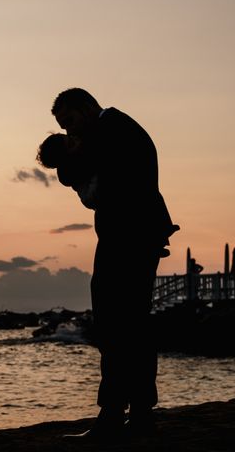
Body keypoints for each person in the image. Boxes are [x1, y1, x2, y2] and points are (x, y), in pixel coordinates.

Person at [50, 88, 178, 439]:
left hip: (129, 236)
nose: (70, 132)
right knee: (126, 324)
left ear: (88, 108)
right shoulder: (115, 130)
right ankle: (133, 413)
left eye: (71, 122)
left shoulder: (113, 131)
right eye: (64, 128)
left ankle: (119, 414)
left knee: (120, 324)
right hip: (132, 235)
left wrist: (65, 157)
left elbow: (71, 168)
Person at [37, 132, 99, 209]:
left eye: (71, 136)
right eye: (72, 144)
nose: (76, 139)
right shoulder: (87, 191)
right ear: (67, 159)